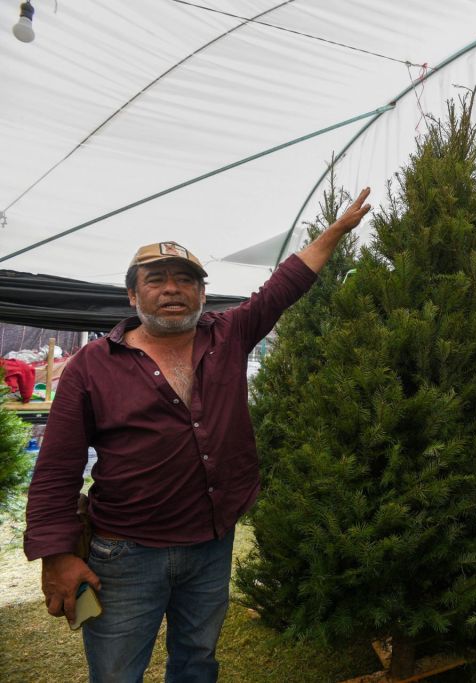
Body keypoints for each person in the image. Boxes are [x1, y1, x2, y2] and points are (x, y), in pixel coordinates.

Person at [23, 187, 371, 682]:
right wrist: (56, 556)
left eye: (185, 280)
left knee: (197, 660)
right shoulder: (91, 367)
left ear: (202, 294)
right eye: (156, 280)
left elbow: (283, 286)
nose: (171, 289)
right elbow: (57, 468)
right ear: (132, 295)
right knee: (118, 672)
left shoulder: (227, 336)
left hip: (211, 542)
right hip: (125, 550)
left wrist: (334, 233)